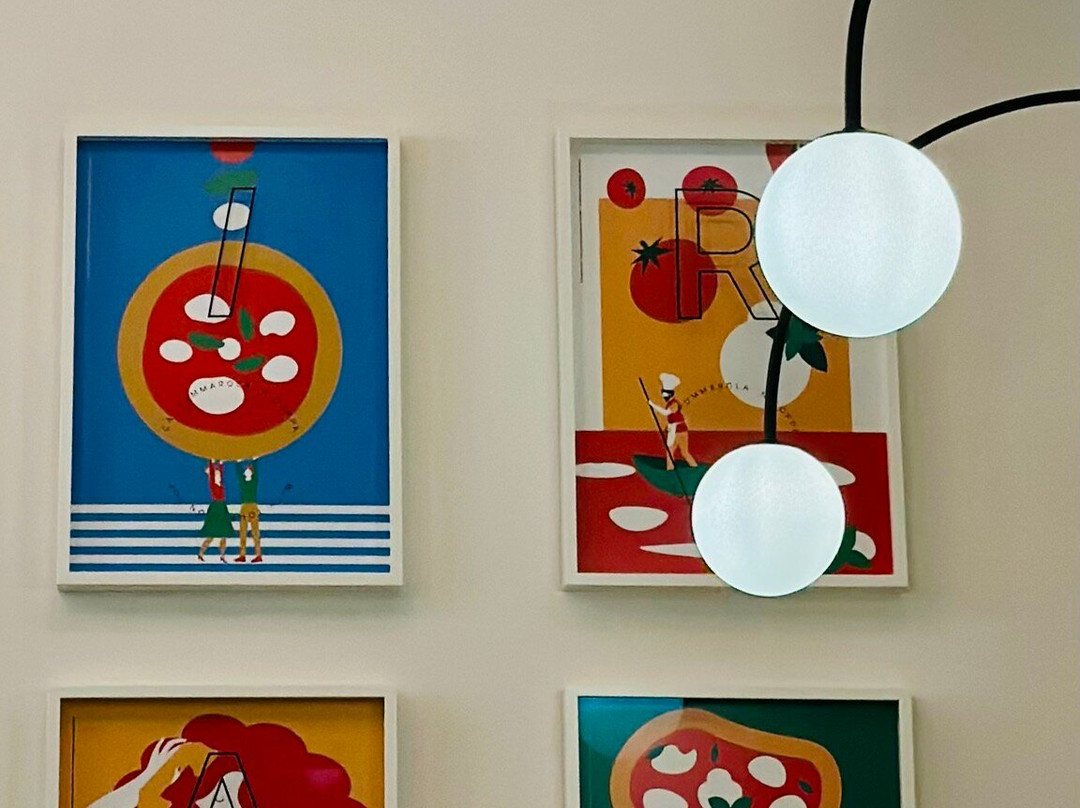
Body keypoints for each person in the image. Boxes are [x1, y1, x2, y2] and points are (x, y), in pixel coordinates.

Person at [649, 372, 698, 471]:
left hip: (678, 431)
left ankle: (689, 467)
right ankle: (676, 467)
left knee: (678, 452)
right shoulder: (671, 403)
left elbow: (666, 413)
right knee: (676, 451)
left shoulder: (674, 404)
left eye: (665, 394)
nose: (664, 396)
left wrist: (653, 405)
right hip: (676, 430)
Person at [197, 460, 235, 562]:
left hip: (221, 508)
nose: (218, 475)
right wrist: (211, 462)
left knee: (223, 535)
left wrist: (220, 464)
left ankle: (222, 555)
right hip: (216, 508)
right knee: (212, 535)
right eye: (216, 474)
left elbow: (220, 473)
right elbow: (213, 474)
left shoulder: (220, 484)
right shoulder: (212, 484)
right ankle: (201, 553)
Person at [235, 458, 262, 563]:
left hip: (252, 507)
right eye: (246, 470)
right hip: (245, 507)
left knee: (255, 532)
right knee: (243, 533)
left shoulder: (253, 482)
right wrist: (237, 462)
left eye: (249, 470)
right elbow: (238, 473)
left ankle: (258, 554)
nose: (247, 471)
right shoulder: (243, 482)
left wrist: (254, 461)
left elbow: (256, 473)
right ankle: (242, 555)